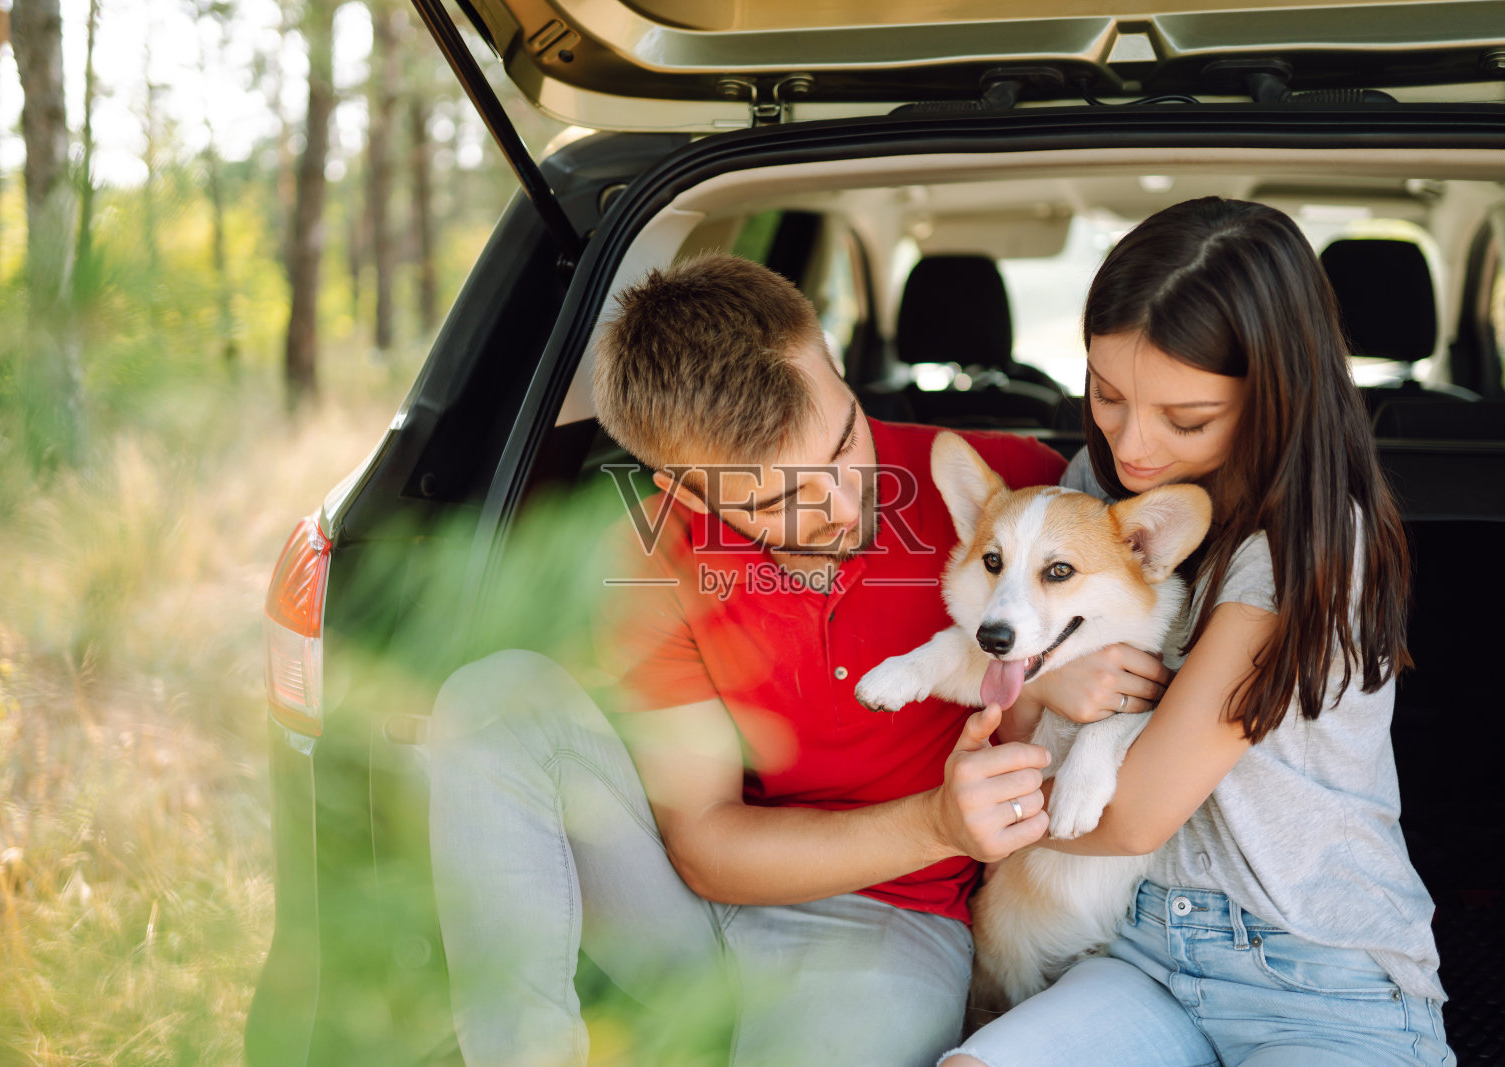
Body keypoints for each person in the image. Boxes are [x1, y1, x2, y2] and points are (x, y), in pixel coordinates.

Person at [426, 253, 1173, 1067]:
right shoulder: (651, 558)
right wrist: (936, 822)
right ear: (683, 487)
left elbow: (1134, 605)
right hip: (690, 909)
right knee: (491, 694)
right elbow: (706, 843)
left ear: (837, 365)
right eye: (780, 498)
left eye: (845, 441)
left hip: (892, 929)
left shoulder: (1013, 501)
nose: (846, 503)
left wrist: (1052, 668)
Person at [940, 197, 1454, 1067]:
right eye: (1108, 394)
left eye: (1186, 420)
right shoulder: (1089, 493)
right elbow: (1021, 722)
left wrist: (958, 818)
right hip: (1137, 953)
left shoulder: (1309, 547)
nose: (1133, 445)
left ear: (1273, 396)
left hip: (1318, 979)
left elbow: (1135, 813)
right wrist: (1044, 686)